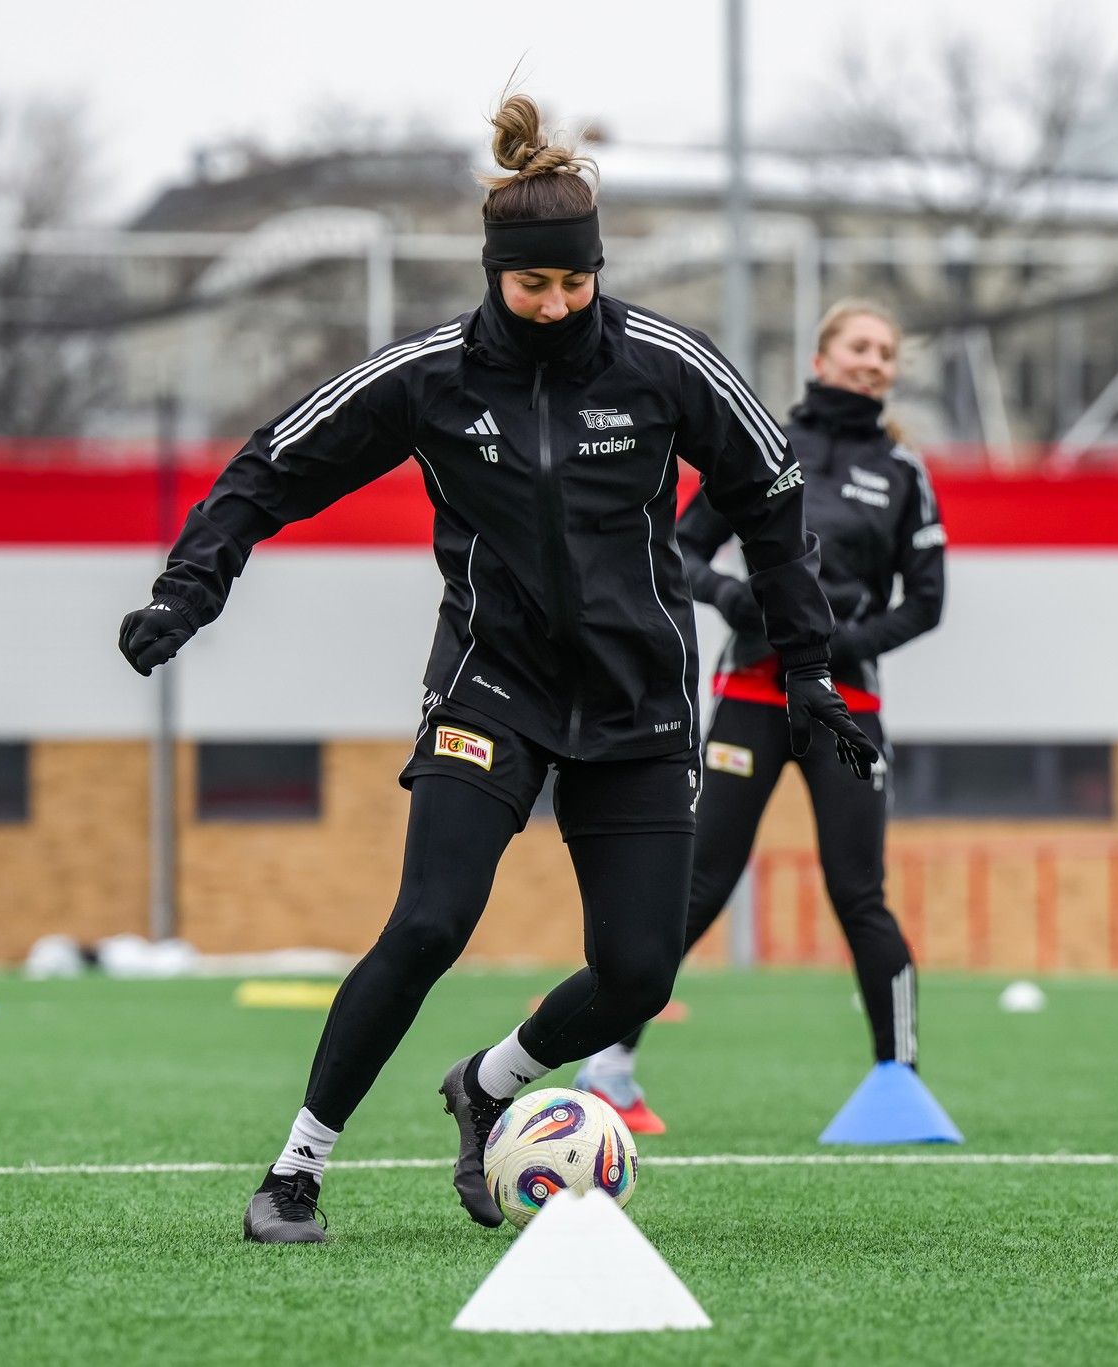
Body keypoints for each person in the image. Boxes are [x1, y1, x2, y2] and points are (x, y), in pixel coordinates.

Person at [116, 95, 878, 1243]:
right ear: (494, 275)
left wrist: (807, 666)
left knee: (637, 971)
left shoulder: (666, 366)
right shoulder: (432, 376)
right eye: (533, 285)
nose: (557, 304)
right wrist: (191, 587)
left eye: (575, 283)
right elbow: (273, 465)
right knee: (430, 921)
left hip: (634, 697)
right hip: (492, 683)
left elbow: (771, 498)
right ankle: (295, 1170)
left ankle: (487, 1083)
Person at [575, 300, 946, 1135]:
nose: (874, 362)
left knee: (858, 890)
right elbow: (680, 547)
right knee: (697, 882)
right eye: (859, 346)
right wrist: (736, 599)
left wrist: (842, 643)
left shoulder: (904, 474)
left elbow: (927, 603)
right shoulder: (764, 444)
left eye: (886, 352)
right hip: (749, 694)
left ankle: (899, 1081)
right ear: (821, 358)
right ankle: (609, 1066)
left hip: (848, 708)